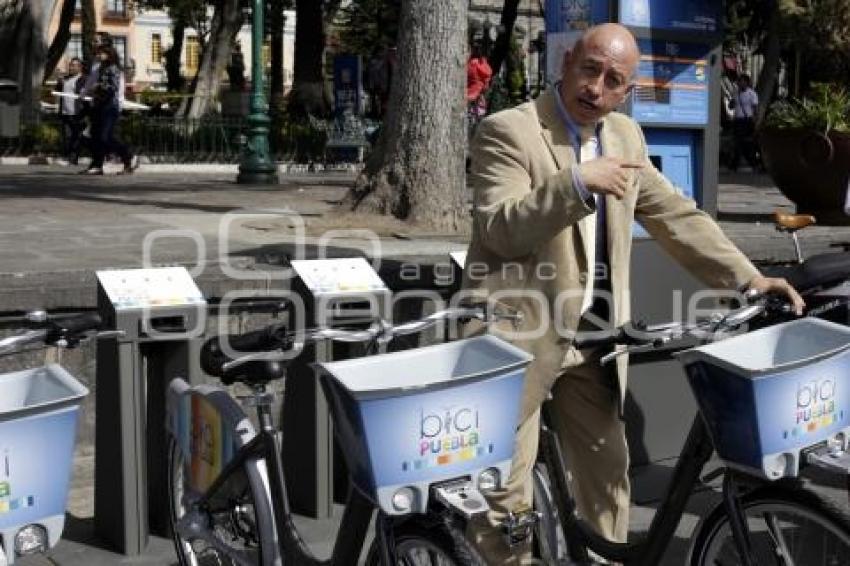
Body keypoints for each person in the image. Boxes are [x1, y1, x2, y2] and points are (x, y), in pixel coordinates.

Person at [461, 23, 803, 564]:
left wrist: (747, 278)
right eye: (589, 69)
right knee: (505, 500)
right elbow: (501, 230)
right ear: (567, 60)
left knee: (609, 482)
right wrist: (575, 183)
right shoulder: (509, 131)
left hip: (593, 342)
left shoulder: (625, 138)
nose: (596, 87)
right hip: (517, 342)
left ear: (626, 92)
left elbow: (675, 216)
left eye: (612, 80)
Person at [80, 44, 135, 175]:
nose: (99, 55)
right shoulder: (100, 68)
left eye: (101, 53)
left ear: (109, 54)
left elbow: (114, 87)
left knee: (106, 137)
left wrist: (98, 86)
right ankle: (98, 165)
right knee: (95, 136)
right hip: (99, 105)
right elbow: (92, 83)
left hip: (110, 106)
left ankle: (127, 156)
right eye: (98, 53)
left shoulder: (114, 69)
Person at [56, 57, 86, 165]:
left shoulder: (82, 79)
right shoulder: (66, 79)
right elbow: (58, 91)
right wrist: (59, 82)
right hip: (65, 113)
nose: (71, 67)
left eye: (74, 65)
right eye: (71, 65)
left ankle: (73, 158)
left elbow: (84, 95)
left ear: (80, 67)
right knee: (67, 136)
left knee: (76, 136)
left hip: (76, 113)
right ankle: (69, 157)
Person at [730, 73, 759, 171]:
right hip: (737, 121)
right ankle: (735, 165)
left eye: (742, 81)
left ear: (747, 82)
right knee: (737, 143)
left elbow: (755, 109)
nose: (740, 83)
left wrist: (755, 122)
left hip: (747, 121)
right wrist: (732, 102)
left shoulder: (752, 94)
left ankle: (752, 163)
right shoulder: (736, 93)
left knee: (746, 144)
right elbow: (731, 106)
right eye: (739, 81)